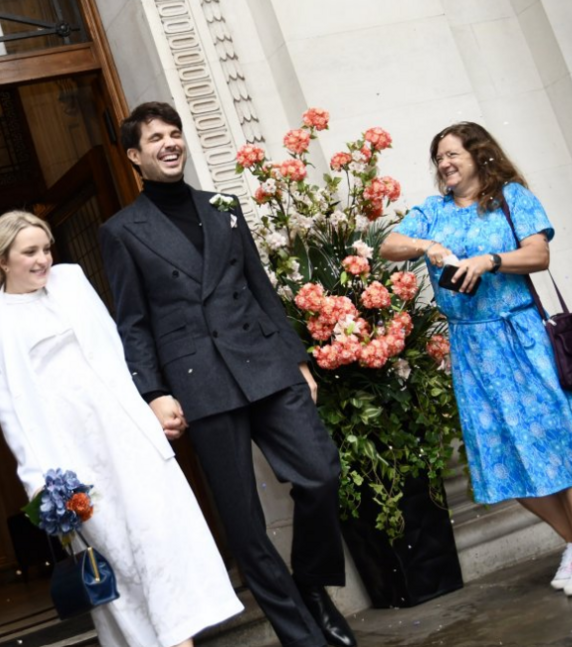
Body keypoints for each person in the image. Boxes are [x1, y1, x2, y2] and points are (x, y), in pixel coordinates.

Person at [98, 102, 358, 647]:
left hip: (264, 363)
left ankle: (310, 584)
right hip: (198, 382)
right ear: (134, 156)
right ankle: (301, 635)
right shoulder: (122, 231)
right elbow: (132, 322)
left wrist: (297, 359)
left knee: (320, 473)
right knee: (244, 523)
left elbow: (261, 288)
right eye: (155, 139)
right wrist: (153, 392)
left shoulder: (223, 205)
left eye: (175, 134)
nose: (170, 144)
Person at [0, 210, 243, 647]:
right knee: (118, 559)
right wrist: (39, 483)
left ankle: (181, 638)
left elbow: (117, 347)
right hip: (73, 458)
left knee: (162, 540)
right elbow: (7, 411)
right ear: (3, 260)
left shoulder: (72, 281)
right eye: (30, 252)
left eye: (46, 249)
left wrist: (151, 404)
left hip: (124, 431)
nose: (44, 260)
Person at [380, 122, 572, 596]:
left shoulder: (511, 197)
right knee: (503, 454)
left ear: (479, 154)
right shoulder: (433, 211)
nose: (444, 164)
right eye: (439, 158)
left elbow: (538, 254)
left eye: (453, 154)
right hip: (473, 349)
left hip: (522, 336)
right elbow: (390, 245)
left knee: (559, 441)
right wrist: (427, 245)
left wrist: (489, 260)